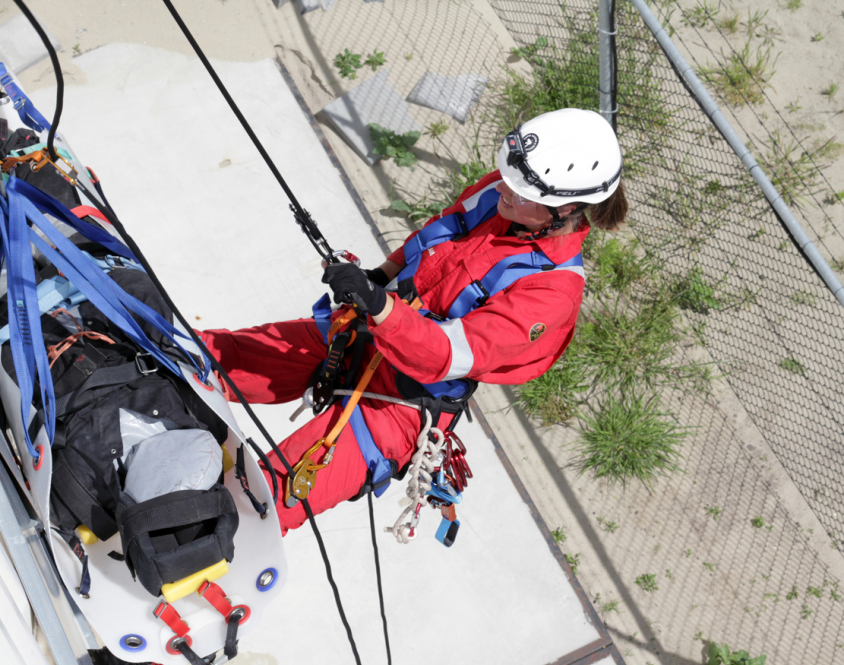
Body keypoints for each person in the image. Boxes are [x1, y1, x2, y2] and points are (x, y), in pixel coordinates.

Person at [201, 108, 628, 534]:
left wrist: (378, 305)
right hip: (364, 334)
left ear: (566, 208)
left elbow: (444, 354)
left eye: (522, 189)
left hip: (402, 404)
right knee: (208, 358)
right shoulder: (500, 195)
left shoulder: (552, 293)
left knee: (260, 505)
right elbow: (436, 236)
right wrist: (380, 278)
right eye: (509, 176)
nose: (506, 188)